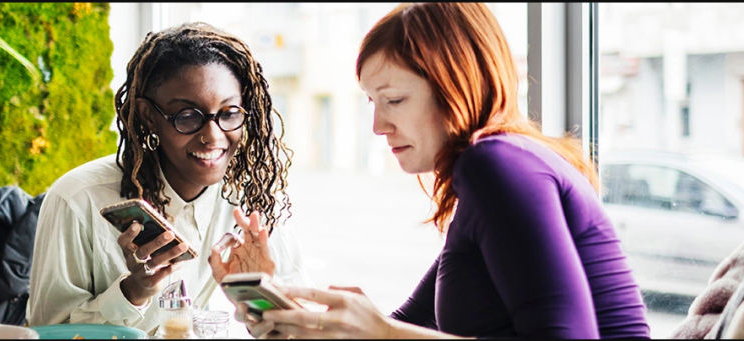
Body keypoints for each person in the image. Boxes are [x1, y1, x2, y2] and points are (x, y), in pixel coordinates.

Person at [230, 3, 651, 339]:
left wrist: (383, 333)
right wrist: (272, 307)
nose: (378, 125)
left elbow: (392, 333)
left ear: (456, 88)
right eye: (372, 102)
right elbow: (404, 325)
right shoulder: (492, 174)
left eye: (394, 100)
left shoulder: (496, 166)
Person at [27, 22, 310, 334]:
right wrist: (133, 292)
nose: (212, 137)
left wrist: (258, 297)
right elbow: (46, 332)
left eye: (229, 114)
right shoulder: (78, 199)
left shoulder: (251, 199)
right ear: (148, 115)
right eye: (188, 117)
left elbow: (296, 330)